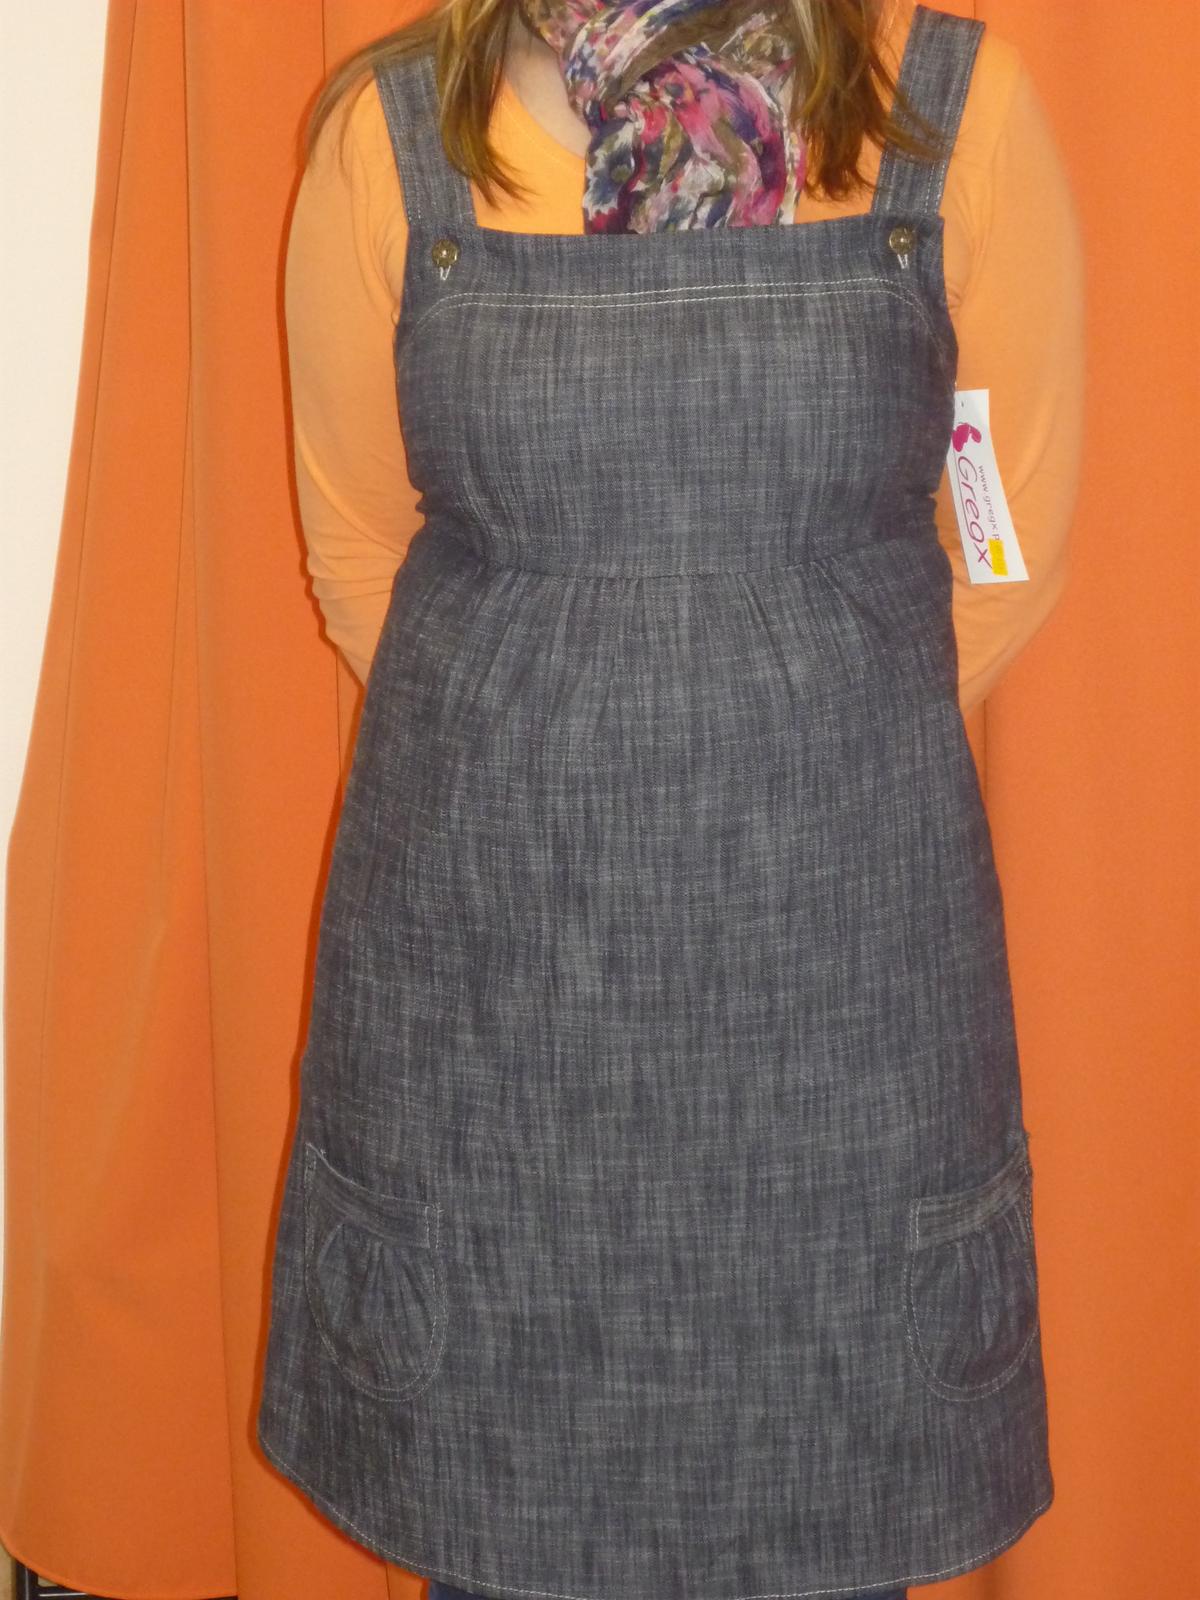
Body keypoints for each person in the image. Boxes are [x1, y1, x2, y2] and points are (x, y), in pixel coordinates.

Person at [257, 2, 1085, 1598]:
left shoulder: (950, 111)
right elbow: (356, 543)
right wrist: (553, 731)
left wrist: (799, 725)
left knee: (831, 1525)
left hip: (838, 990)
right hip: (494, 990)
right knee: (501, 1532)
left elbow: (1004, 542)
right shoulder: (393, 133)